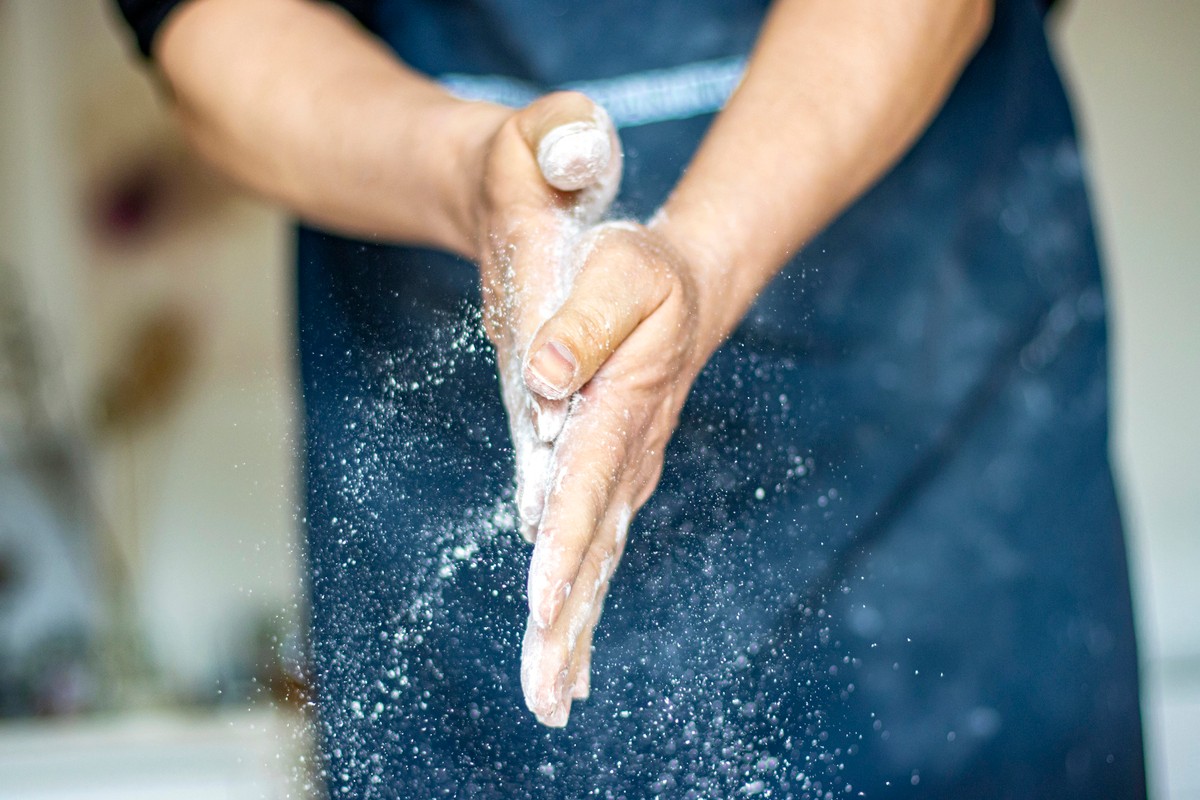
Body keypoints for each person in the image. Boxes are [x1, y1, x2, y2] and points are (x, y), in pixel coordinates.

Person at [115, 0, 1146, 796]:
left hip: (916, 438)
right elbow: (213, 20)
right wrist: (465, 173)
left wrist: (705, 252)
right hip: (449, 489)